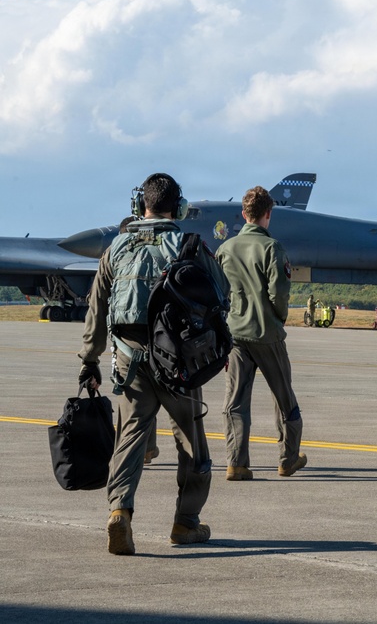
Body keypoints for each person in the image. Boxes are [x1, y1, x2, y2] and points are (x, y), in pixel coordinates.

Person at [78, 173, 227, 555]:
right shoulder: (189, 245)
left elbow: (96, 310)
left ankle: (120, 512)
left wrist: (90, 360)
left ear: (137, 206)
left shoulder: (116, 249)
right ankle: (185, 523)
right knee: (192, 443)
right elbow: (221, 294)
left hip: (129, 360)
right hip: (178, 362)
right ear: (177, 208)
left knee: (129, 438)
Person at [216, 186, 307, 480]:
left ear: (243, 215)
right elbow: (279, 292)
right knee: (284, 398)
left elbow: (218, 294)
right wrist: (278, 318)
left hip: (235, 335)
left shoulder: (224, 249)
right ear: (269, 214)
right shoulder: (272, 248)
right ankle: (287, 458)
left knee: (236, 401)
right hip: (266, 334)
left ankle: (236, 462)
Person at [118, 215, 160, 467]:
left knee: (133, 404)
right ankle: (147, 449)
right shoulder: (155, 255)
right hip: (159, 342)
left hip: (125, 345)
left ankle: (138, 452)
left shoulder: (118, 258)